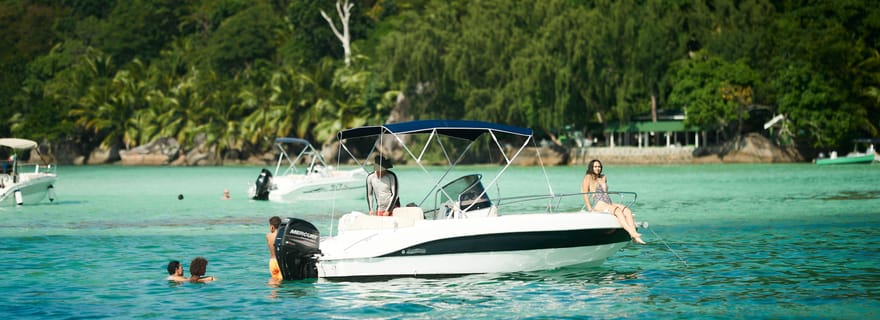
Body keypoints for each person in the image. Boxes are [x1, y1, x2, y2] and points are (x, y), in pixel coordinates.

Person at [581, 159, 646, 244]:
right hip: (599, 203)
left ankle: (634, 236)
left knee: (627, 211)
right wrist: (589, 208)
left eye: (599, 166)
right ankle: (632, 233)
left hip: (608, 201)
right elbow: (585, 193)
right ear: (591, 167)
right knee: (618, 211)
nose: (598, 168)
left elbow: (605, 192)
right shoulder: (588, 177)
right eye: (595, 166)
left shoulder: (603, 177)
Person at [266, 216, 283, 282]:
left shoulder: (268, 236)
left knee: (274, 280)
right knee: (281, 279)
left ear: (272, 226)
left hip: (272, 262)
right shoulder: (282, 236)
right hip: (280, 261)